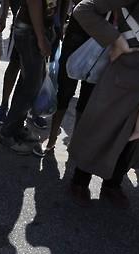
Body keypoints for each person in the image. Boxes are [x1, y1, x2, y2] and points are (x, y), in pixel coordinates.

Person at [68, 0, 139, 209]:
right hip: (124, 74)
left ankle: (113, 183)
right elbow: (84, 9)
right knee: (101, 128)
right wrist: (116, 38)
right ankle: (80, 179)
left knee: (135, 139)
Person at [0, 0, 67, 154]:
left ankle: (16, 127)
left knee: (27, 83)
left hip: (39, 29)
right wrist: (41, 38)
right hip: (30, 31)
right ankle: (7, 134)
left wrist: (53, 27)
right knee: (31, 87)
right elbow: (34, 3)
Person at [33, 9, 95, 157]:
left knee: (88, 95)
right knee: (64, 92)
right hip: (76, 35)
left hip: (101, 42)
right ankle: (52, 138)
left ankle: (76, 142)